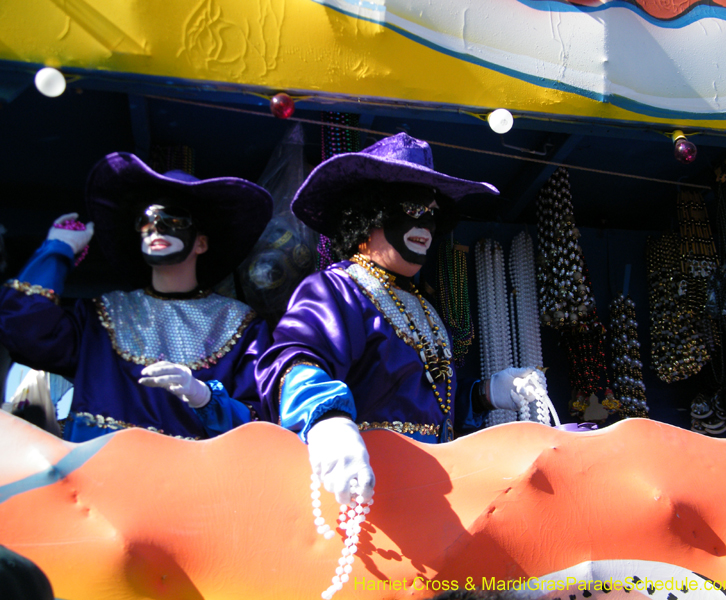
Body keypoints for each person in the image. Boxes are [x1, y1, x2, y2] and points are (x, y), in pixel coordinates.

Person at [257, 132, 543, 504]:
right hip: (362, 493)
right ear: (368, 215)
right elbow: (296, 361)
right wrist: (328, 422)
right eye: (411, 209)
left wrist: (486, 393)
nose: (424, 226)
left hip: (433, 494)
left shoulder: (422, 306)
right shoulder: (336, 289)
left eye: (432, 214)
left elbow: (429, 405)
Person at [0, 153, 274, 441]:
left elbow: (260, 424)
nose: (157, 228)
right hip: (100, 476)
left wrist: (205, 398)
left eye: (174, 219)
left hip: (188, 481)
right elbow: (22, 331)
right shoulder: (101, 315)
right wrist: (57, 251)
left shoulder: (242, 325)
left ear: (201, 242)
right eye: (147, 221)